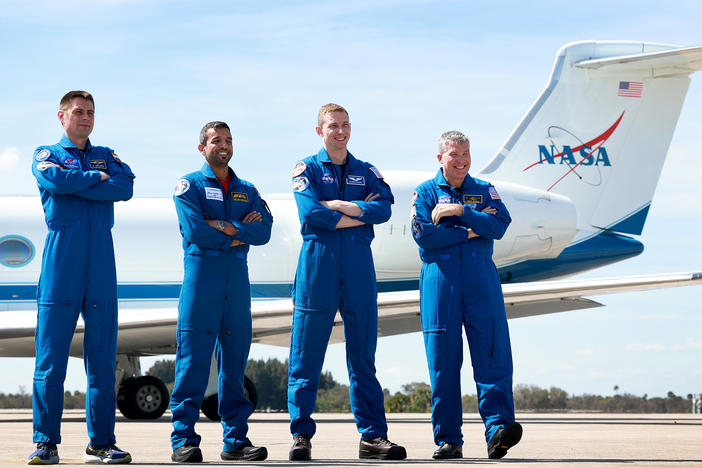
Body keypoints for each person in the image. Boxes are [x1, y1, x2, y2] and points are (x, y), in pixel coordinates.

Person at [287, 103, 406, 461]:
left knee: (363, 354)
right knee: (306, 355)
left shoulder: (366, 170)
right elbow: (311, 213)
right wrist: (359, 213)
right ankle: (301, 435)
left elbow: (384, 208)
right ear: (319, 130)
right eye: (332, 126)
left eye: (345, 125)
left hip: (357, 266)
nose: (340, 131)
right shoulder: (305, 168)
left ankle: (372, 436)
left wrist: (339, 206)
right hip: (318, 265)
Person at [28, 90, 135, 465]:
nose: (86, 117)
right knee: (51, 357)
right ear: (62, 116)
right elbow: (56, 181)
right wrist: (94, 179)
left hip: (101, 260)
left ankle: (101, 442)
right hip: (62, 260)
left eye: (90, 112)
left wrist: (82, 181)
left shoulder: (109, 155)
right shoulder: (46, 154)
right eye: (78, 112)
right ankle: (45, 442)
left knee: (103, 357)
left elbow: (125, 187)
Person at [410, 130, 522, 460]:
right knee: (443, 362)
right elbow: (423, 234)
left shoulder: (485, 190)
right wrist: (473, 230)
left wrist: (459, 212)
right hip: (439, 282)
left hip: (480, 280)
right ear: (440, 158)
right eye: (454, 154)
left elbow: (499, 225)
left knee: (492, 353)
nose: (461, 160)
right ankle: (449, 439)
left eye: (465, 154)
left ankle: (498, 431)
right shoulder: (425, 192)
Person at [169, 121, 272, 463]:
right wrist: (242, 230)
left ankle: (236, 441)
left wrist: (225, 226)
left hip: (237, 280)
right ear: (202, 147)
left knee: (235, 359)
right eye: (216, 140)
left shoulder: (248, 188)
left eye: (228, 139)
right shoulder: (190, 186)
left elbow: (265, 231)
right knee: (193, 359)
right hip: (202, 276)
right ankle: (183, 440)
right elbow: (196, 230)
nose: (223, 145)